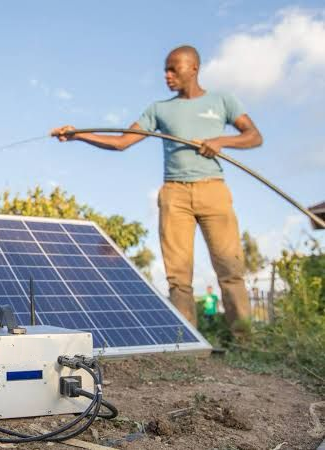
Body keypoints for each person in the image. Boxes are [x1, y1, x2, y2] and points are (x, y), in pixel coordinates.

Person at [51, 45, 262, 334]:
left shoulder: (222, 100)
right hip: (174, 194)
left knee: (230, 269)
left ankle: (244, 340)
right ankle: (187, 343)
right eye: (165, 69)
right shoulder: (159, 109)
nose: (167, 75)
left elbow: (254, 136)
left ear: (194, 68)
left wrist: (221, 142)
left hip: (214, 190)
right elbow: (122, 142)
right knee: (178, 276)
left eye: (174, 69)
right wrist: (79, 135)